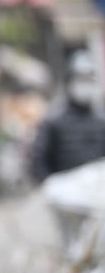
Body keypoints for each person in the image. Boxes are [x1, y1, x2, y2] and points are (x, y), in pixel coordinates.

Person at [30, 49, 105, 183]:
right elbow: (38, 159)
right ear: (69, 80)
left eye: (89, 79)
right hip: (64, 194)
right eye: (81, 79)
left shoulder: (101, 120)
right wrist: (51, 184)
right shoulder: (54, 119)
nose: (85, 84)